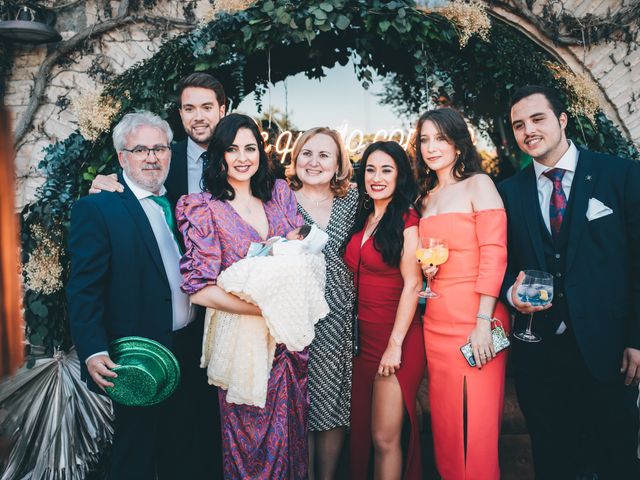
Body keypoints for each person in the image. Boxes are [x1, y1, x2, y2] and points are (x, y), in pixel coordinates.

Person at [500, 84, 640, 479]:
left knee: (617, 463)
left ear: (562, 120)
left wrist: (637, 338)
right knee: (554, 464)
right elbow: (499, 262)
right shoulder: (509, 192)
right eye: (518, 125)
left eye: (537, 118)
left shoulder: (621, 175)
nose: (528, 130)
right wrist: (511, 293)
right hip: (540, 360)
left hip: (609, 354)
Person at [66, 112, 214, 479]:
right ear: (122, 158)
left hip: (190, 351)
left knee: (186, 454)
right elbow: (84, 288)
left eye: (159, 148)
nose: (151, 157)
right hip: (137, 357)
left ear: (169, 153)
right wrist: (94, 349)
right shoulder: (98, 208)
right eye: (140, 149)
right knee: (136, 458)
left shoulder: (182, 206)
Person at [176, 113, 308, 479]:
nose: (243, 157)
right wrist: (264, 310)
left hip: (286, 344)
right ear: (219, 155)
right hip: (241, 343)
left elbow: (298, 258)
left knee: (290, 439)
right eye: (232, 149)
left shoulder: (279, 196)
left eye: (250, 148)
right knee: (250, 447)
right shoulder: (203, 207)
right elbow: (200, 290)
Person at [414, 108, 509, 480]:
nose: (431, 147)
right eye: (424, 139)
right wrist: (428, 271)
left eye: (440, 138)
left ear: (458, 143)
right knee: (448, 428)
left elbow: (495, 252)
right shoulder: (426, 198)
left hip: (477, 320)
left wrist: (483, 320)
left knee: (479, 431)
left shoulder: (479, 184)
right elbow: (430, 258)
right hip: (436, 322)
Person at [344, 141, 425, 480]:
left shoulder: (407, 219)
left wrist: (394, 345)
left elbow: (413, 284)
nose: (376, 177)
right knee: (362, 433)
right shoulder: (364, 217)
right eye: (371, 170)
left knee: (384, 437)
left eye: (386, 170)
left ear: (400, 175)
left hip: (397, 338)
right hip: (362, 340)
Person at [286, 127, 357, 480]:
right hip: (293, 319)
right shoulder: (279, 198)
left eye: (324, 155)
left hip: (339, 318)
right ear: (296, 157)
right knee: (299, 406)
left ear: (338, 163)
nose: (314, 162)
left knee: (332, 406)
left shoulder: (353, 200)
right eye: (307, 153)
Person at [89, 72, 226, 203]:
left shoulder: (242, 159)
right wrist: (105, 183)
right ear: (181, 113)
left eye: (207, 108)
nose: (198, 118)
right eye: (189, 109)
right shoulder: (161, 158)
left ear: (221, 111)